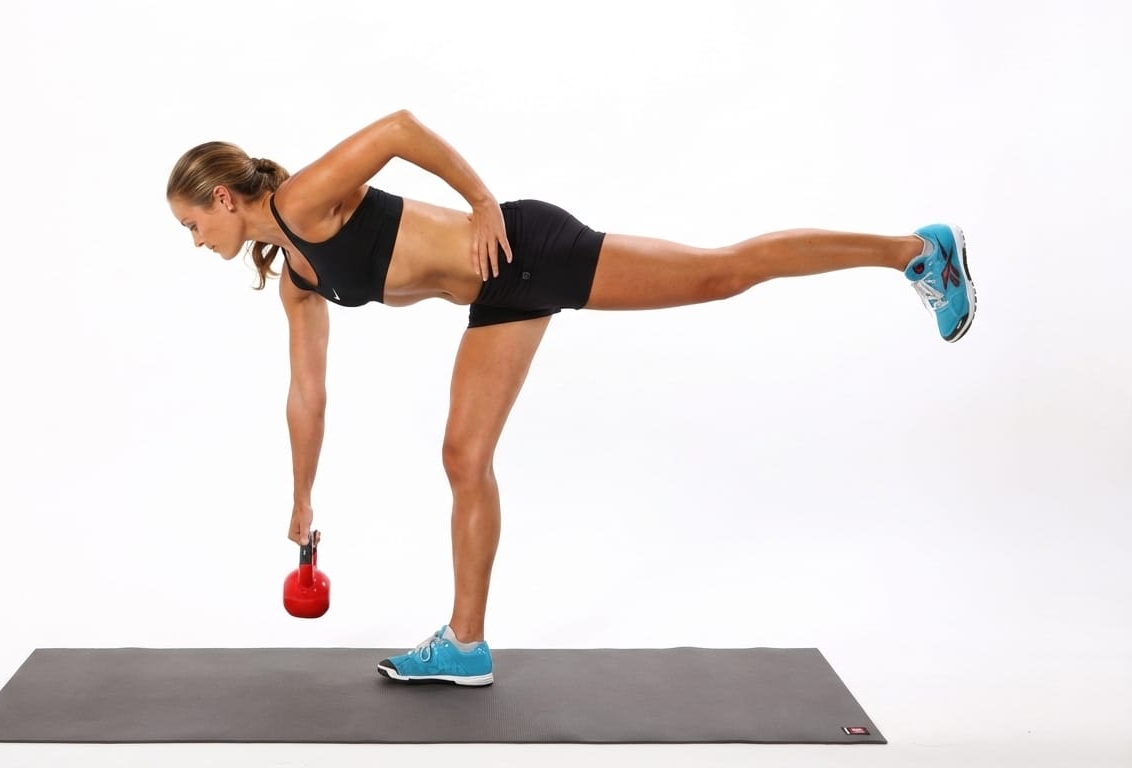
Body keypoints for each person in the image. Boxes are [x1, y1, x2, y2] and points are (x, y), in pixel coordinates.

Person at [166, 109, 976, 687]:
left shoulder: (303, 199)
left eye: (193, 224)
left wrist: (483, 203)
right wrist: (302, 496)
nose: (196, 241)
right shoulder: (297, 280)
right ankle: (466, 644)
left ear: (224, 200)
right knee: (463, 455)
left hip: (527, 248)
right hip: (499, 299)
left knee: (720, 272)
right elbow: (307, 395)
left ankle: (914, 250)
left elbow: (399, 129)